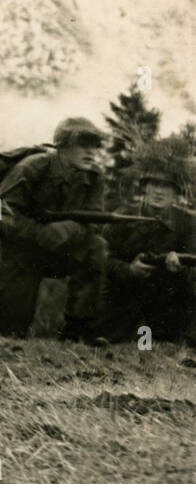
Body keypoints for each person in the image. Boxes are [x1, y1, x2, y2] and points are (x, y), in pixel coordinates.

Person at [0, 117, 108, 339]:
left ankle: (78, 329)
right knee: (11, 330)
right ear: (62, 145)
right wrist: (39, 232)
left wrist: (69, 228)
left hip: (60, 250)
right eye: (83, 144)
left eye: (95, 145)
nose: (91, 152)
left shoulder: (93, 176)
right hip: (20, 252)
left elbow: (95, 220)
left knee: (96, 247)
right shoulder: (30, 168)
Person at [89, 141, 195, 345]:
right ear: (145, 187)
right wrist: (129, 270)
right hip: (126, 294)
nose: (159, 191)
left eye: (167, 186)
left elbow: (192, 267)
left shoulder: (188, 222)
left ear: (176, 193)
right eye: (154, 184)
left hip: (167, 298)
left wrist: (179, 266)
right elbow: (103, 260)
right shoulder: (123, 216)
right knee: (110, 336)